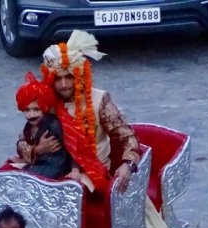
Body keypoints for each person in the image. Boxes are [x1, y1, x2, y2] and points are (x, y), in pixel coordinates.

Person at [40, 30, 140, 191]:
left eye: (69, 77)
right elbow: (24, 140)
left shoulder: (99, 100)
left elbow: (128, 137)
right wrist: (36, 149)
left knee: (70, 192)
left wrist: (128, 165)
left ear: (78, 75)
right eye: (58, 79)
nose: (64, 84)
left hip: (92, 174)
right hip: (53, 170)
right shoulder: (46, 103)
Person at [14, 72, 72, 180]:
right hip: (38, 164)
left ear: (45, 108)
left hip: (54, 169)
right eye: (27, 110)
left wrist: (75, 169)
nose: (31, 115)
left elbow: (73, 148)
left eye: (36, 109)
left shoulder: (54, 125)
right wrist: (36, 150)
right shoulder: (29, 126)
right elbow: (20, 144)